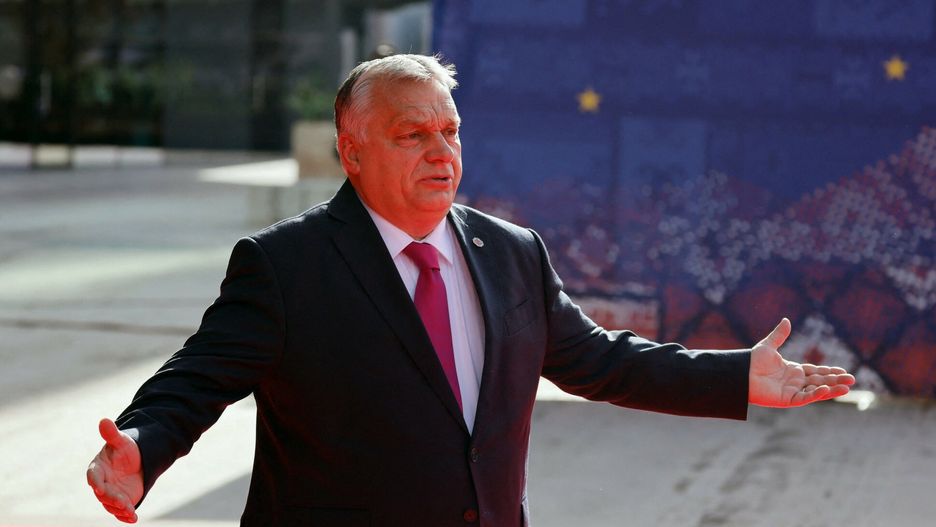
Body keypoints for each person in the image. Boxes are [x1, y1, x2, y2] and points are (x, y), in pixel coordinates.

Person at [87, 54, 855, 526]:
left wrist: (736, 374)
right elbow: (196, 380)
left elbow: (601, 361)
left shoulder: (511, 252)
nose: (441, 150)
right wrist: (142, 449)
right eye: (411, 134)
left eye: (450, 131)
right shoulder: (285, 265)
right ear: (351, 153)